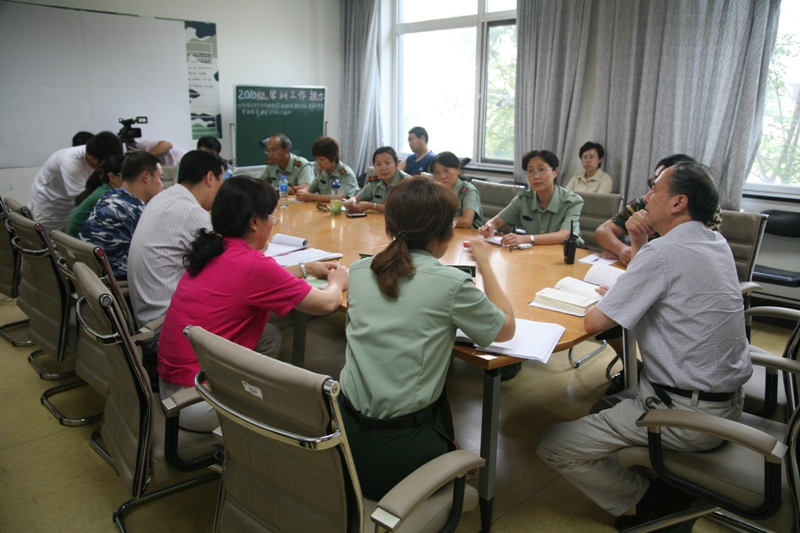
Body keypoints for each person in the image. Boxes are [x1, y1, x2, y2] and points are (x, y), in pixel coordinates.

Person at [537, 161, 751, 533]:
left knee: (552, 444)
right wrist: (637, 244)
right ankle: (660, 476)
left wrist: (613, 296)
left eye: (655, 189)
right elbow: (658, 281)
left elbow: (594, 323)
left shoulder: (663, 253)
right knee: (602, 405)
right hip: (725, 404)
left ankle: (652, 503)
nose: (646, 197)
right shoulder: (715, 242)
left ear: (678, 203)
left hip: (685, 414)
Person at [339, 177, 515, 499]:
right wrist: (486, 265)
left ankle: (445, 443)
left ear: (390, 226)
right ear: (444, 234)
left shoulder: (360, 270)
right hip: (396, 454)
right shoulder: (451, 283)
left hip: (344, 436)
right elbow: (505, 329)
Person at [157, 176, 349, 432]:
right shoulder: (253, 267)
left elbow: (256, 280)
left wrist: (306, 268)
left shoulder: (213, 248)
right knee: (310, 408)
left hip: (172, 386)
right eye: (271, 217)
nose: (272, 224)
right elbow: (326, 303)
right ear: (254, 222)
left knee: (269, 336)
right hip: (199, 400)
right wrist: (338, 281)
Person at [128, 149, 226, 326]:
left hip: (147, 313)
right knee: (263, 325)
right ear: (210, 178)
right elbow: (225, 267)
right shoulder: (190, 211)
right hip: (168, 322)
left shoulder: (161, 198)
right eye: (222, 182)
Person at [593, 154, 722, 267]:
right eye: (653, 183)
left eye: (656, 186)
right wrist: (622, 249)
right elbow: (602, 231)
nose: (647, 197)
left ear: (679, 202)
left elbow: (678, 262)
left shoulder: (703, 210)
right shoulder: (645, 203)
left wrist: (640, 254)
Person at [78, 151, 164, 279]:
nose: (162, 185)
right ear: (145, 176)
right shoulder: (135, 209)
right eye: (160, 178)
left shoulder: (109, 196)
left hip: (92, 276)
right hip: (116, 279)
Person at [478, 149, 584, 247]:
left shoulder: (573, 201)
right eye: (530, 171)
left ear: (555, 172)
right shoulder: (524, 199)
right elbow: (496, 222)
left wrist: (526, 239)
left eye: (541, 169)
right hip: (534, 254)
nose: (536, 176)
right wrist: (489, 227)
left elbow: (563, 235)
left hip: (566, 255)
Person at [28, 131, 123, 231]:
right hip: (49, 208)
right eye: (105, 163)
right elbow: (83, 199)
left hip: (70, 207)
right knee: (47, 238)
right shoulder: (70, 162)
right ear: (93, 158)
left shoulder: (98, 152)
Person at [66, 154, 125, 238]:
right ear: (112, 177)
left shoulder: (104, 189)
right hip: (78, 242)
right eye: (127, 176)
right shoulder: (109, 196)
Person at [296, 136, 359, 202]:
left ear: (333, 157)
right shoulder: (323, 172)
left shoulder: (346, 173)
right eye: (316, 159)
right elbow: (309, 189)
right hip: (324, 207)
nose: (319, 163)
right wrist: (302, 192)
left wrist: (311, 196)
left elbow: (340, 197)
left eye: (322, 159)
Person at [347, 147, 410, 213]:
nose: (383, 168)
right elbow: (357, 197)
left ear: (396, 164)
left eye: (387, 163)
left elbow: (399, 209)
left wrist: (371, 206)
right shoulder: (375, 182)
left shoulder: (407, 182)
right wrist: (352, 201)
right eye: (378, 164)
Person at [430, 151, 483, 228]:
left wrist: (438, 222)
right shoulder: (436, 191)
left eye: (446, 170)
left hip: (468, 234)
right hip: (445, 232)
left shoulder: (469, 191)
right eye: (437, 173)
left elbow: (466, 222)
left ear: (458, 169)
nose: (442, 176)